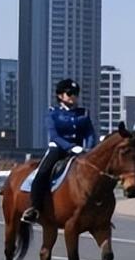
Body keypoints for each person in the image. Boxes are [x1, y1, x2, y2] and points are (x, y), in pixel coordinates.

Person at [22, 79, 96, 224]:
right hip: (58, 149)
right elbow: (54, 135)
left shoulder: (83, 113)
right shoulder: (53, 113)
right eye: (70, 93)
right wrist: (70, 147)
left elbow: (90, 133)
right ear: (60, 96)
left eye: (75, 93)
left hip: (80, 151)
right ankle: (34, 207)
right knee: (42, 174)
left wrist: (89, 148)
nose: (73, 96)